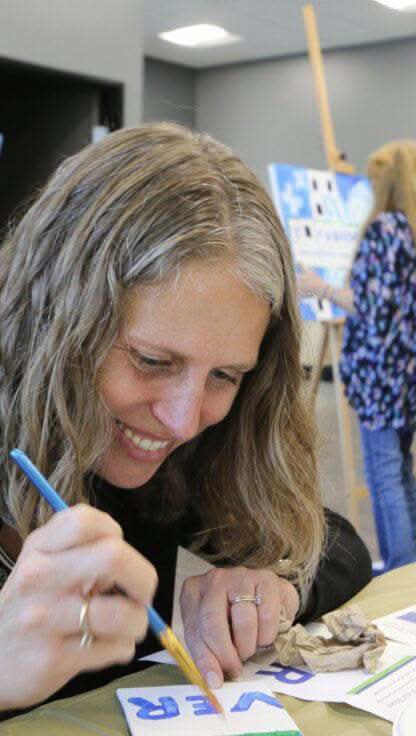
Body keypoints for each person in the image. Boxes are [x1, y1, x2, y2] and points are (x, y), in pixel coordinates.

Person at [0, 123, 372, 715]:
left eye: (225, 375)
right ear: (54, 323)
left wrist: (272, 588)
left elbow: (336, 544)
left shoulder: (164, 460)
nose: (181, 420)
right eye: (151, 361)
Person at [298, 140, 416, 571]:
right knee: (400, 465)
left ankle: (402, 563)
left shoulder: (385, 228)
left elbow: (372, 303)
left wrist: (321, 287)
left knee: (384, 472)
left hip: (382, 372)